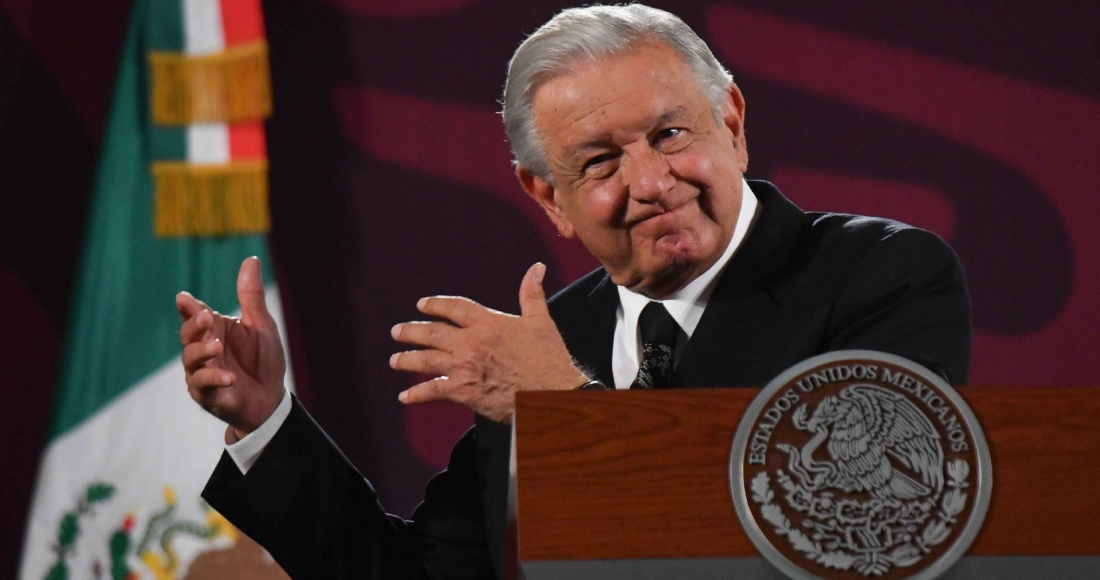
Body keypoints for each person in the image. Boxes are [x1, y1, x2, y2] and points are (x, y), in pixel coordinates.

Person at [177, 4, 971, 579]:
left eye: (670, 134)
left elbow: (855, 528)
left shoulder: (881, 276)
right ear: (546, 196)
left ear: (730, 121)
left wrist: (560, 405)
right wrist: (266, 423)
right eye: (598, 163)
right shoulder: (549, 340)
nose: (651, 182)